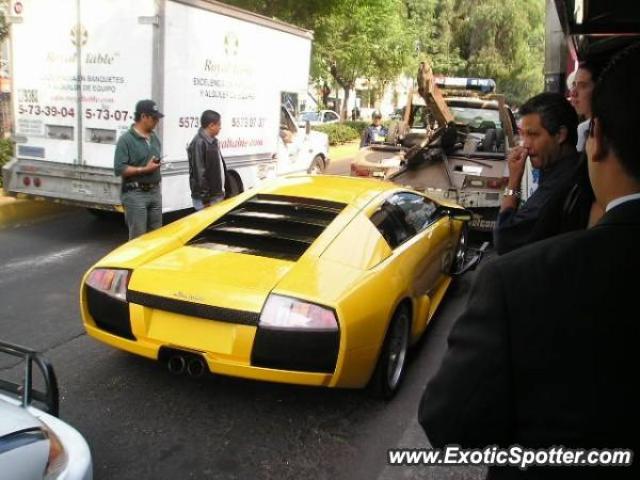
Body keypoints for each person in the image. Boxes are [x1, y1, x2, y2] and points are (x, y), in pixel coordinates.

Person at [418, 42, 640, 479]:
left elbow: (449, 425)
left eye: (534, 135)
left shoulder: (517, 282)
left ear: (592, 140)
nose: (526, 145)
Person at [493, 93, 579, 254]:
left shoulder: (558, 185)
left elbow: (504, 237)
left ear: (560, 135)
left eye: (533, 135)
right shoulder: (571, 168)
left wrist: (513, 182)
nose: (525, 145)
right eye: (522, 135)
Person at [113, 99, 163, 240]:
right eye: (154, 118)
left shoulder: (154, 138)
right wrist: (144, 169)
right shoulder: (126, 140)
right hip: (135, 194)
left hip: (155, 192)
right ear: (143, 117)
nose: (156, 121)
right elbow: (119, 168)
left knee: (156, 237)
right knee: (138, 239)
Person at [187, 110, 226, 210]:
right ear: (211, 125)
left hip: (215, 195)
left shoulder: (212, 141)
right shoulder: (199, 143)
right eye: (219, 124)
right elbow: (200, 174)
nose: (220, 127)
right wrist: (205, 199)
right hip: (208, 200)